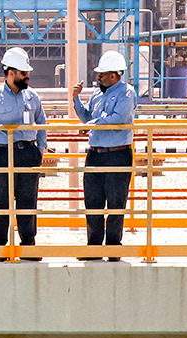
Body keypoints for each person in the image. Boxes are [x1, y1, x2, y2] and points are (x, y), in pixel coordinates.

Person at [0, 48, 47, 261]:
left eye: (27, 72)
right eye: (23, 72)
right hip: (3, 155)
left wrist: (40, 150)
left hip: (28, 154)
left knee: (28, 201)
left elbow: (42, 123)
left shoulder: (32, 96)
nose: (27, 76)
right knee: (2, 202)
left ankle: (28, 246)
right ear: (10, 72)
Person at [70, 50, 138, 261]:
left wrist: (92, 124)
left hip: (118, 154)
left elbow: (119, 118)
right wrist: (76, 100)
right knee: (93, 201)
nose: (98, 77)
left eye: (102, 74)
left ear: (115, 75)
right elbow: (88, 118)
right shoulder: (97, 94)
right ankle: (94, 247)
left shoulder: (127, 93)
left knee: (116, 202)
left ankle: (113, 248)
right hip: (96, 155)